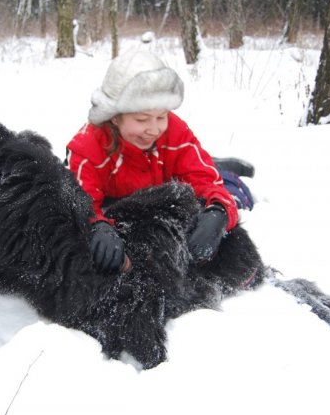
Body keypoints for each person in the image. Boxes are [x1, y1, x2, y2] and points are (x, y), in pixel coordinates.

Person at [66, 49, 253, 273]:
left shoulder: (175, 132)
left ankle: (221, 167)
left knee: (240, 196)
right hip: (126, 200)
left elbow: (208, 183)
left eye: (161, 117)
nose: (154, 129)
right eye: (141, 119)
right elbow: (80, 201)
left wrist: (219, 212)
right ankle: (213, 162)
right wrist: (97, 226)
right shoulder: (86, 148)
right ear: (114, 116)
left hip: (169, 183)